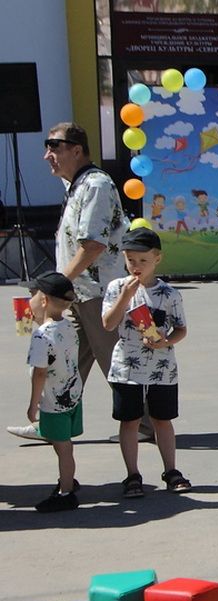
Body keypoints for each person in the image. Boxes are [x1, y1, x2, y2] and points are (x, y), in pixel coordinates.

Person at [8, 123, 129, 442]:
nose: (48, 155)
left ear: (77, 150)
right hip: (75, 295)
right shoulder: (76, 185)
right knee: (63, 363)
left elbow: (93, 245)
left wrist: (52, 287)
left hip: (98, 294)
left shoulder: (96, 184)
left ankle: (143, 424)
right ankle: (52, 423)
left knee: (117, 363)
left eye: (54, 147)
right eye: (47, 147)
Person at [100, 229, 191, 498]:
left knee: (163, 420)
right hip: (126, 367)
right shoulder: (117, 288)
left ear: (157, 259)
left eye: (143, 260)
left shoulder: (169, 293)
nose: (136, 266)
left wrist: (165, 341)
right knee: (129, 420)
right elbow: (107, 324)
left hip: (162, 368)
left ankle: (171, 471)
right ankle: (132, 475)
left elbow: (181, 329)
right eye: (130, 260)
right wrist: (125, 298)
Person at [24, 273, 82, 513]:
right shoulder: (68, 326)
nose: (29, 300)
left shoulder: (42, 336)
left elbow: (40, 373)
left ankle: (66, 491)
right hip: (72, 395)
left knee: (63, 448)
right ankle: (68, 480)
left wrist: (33, 404)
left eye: (33, 295)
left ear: (44, 300)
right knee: (65, 445)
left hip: (53, 401)